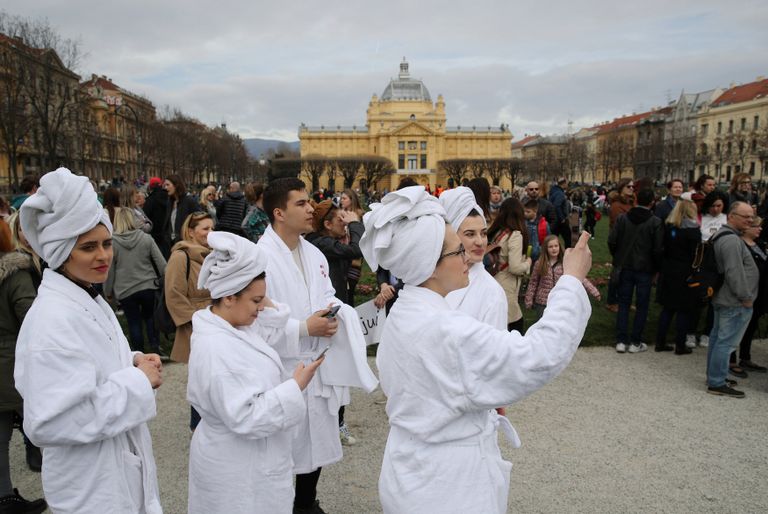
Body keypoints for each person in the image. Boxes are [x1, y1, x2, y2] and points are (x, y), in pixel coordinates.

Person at [359, 185, 592, 514]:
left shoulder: (405, 310)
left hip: (408, 470)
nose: (468, 255)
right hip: (450, 487)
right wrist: (570, 281)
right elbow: (539, 355)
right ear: (430, 264)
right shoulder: (446, 331)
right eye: (457, 250)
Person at [15, 167, 163, 513]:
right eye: (88, 247)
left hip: (111, 474)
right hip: (92, 487)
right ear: (62, 252)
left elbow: (92, 367)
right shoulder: (50, 320)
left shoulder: (88, 299)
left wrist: (134, 360)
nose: (103, 256)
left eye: (106, 243)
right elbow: (50, 421)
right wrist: (137, 381)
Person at [257, 178, 377, 514]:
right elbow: (255, 319)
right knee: (281, 447)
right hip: (281, 366)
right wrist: (302, 327)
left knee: (315, 441)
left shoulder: (312, 253)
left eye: (309, 202)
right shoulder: (259, 258)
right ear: (279, 212)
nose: (311, 208)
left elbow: (324, 293)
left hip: (316, 363)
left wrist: (336, 312)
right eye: (301, 203)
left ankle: (305, 503)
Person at [187, 232, 324, 514]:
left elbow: (274, 325)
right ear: (228, 297)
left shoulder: (239, 326)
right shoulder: (216, 348)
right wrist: (294, 387)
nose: (262, 307)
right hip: (237, 470)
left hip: (251, 460)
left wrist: (258, 292)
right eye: (256, 301)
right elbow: (246, 416)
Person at [306, 199, 364, 445]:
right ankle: (333, 423)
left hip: (337, 310)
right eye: (340, 219)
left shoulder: (327, 243)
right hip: (326, 316)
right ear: (327, 225)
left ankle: (336, 421)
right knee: (331, 372)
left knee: (338, 372)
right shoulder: (320, 243)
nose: (344, 222)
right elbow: (358, 249)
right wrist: (356, 224)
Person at [0, 213, 47, 514]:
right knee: (44, 424)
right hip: (10, 364)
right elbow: (31, 318)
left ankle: (4, 495)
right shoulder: (14, 272)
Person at [706, 201, 759, 398]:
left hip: (725, 298)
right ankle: (716, 382)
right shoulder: (731, 240)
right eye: (745, 216)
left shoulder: (725, 236)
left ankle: (715, 377)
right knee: (725, 342)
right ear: (731, 216)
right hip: (733, 300)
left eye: (751, 216)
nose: (750, 220)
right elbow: (734, 272)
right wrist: (745, 297)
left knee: (718, 339)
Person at [441, 187, 508, 330]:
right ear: (451, 235)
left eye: (483, 234)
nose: (480, 242)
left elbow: (494, 349)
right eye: (470, 234)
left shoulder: (492, 294)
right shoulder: (434, 279)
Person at [609, 188, 663, 353]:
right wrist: (656, 268)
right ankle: (635, 341)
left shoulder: (623, 219)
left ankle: (621, 340)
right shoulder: (655, 222)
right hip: (644, 269)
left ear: (636, 199)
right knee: (642, 305)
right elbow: (658, 249)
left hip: (626, 266)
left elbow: (612, 241)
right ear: (652, 202)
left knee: (624, 303)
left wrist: (618, 257)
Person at [105, 208, 167, 354]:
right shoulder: (145, 238)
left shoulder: (112, 243)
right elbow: (161, 263)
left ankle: (139, 352)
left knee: (134, 322)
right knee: (151, 318)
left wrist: (108, 291)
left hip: (125, 289)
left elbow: (110, 271)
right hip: (148, 285)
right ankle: (155, 346)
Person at [654, 194, 700, 354]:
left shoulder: (670, 227)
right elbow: (695, 254)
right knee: (683, 309)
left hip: (669, 269)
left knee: (667, 308)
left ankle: (660, 341)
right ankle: (680, 344)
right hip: (684, 271)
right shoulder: (693, 230)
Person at [165, 212, 213, 364]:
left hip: (217, 319)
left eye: (213, 228)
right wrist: (196, 320)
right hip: (195, 325)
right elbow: (174, 294)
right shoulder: (180, 256)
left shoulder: (212, 255)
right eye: (205, 229)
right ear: (191, 232)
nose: (211, 233)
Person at [727, 216, 768, 376]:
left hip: (758, 293)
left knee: (750, 327)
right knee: (735, 328)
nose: (760, 229)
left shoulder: (759, 245)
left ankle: (745, 356)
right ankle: (731, 360)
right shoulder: (740, 244)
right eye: (757, 226)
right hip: (743, 293)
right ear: (747, 228)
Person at [525, 235, 600, 318]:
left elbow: (579, 278)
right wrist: (529, 299)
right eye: (550, 247)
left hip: (560, 300)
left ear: (559, 247)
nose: (554, 249)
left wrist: (593, 291)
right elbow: (533, 282)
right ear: (546, 249)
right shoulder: (539, 264)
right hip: (543, 302)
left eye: (556, 246)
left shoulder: (565, 263)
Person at [487, 197, 532, 333]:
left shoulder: (497, 233)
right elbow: (515, 267)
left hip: (493, 281)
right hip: (507, 286)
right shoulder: (515, 235)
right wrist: (528, 263)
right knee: (515, 327)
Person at [605, 178, 635, 312]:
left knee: (626, 275)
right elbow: (619, 227)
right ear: (621, 188)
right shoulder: (617, 205)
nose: (631, 189)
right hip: (621, 243)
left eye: (633, 187)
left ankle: (624, 301)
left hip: (632, 242)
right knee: (617, 274)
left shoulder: (631, 203)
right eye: (629, 186)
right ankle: (611, 301)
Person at [339, 189, 365, 305]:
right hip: (342, 253)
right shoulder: (340, 213)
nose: (341, 201)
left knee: (350, 287)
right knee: (343, 287)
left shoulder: (360, 215)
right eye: (341, 198)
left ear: (351, 199)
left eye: (344, 198)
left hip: (354, 257)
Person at [164, 174, 201, 247]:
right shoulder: (170, 202)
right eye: (165, 185)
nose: (165, 187)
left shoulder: (189, 201)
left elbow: (198, 220)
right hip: (171, 243)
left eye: (168, 185)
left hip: (186, 243)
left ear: (176, 185)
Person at [142, 177, 170, 257]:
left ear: (151, 187)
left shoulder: (150, 200)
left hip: (154, 236)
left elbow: (145, 217)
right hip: (168, 235)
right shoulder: (169, 197)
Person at [549, 177, 571, 247]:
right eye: (567, 184)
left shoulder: (553, 191)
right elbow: (557, 205)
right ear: (564, 184)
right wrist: (562, 218)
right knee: (568, 239)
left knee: (553, 239)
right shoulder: (560, 193)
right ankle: (568, 255)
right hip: (560, 221)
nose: (567, 185)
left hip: (554, 219)